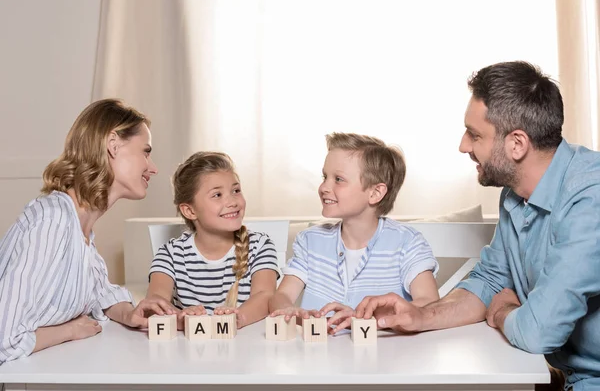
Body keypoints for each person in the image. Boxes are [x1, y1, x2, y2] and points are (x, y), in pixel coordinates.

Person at [343, 61, 600, 390]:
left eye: (475, 135)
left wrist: (505, 310)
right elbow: (490, 281)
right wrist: (420, 316)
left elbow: (538, 332)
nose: (463, 146)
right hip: (567, 376)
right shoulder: (515, 194)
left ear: (517, 144)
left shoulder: (590, 198)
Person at [0, 99, 169, 365]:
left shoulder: (81, 229)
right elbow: (3, 340)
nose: (153, 167)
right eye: (145, 152)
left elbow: (100, 292)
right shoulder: (52, 220)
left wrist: (131, 314)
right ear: (113, 145)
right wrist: (68, 331)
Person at [269, 132, 439, 330]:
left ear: (375, 193)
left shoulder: (407, 243)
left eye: (338, 179)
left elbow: (429, 303)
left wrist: (366, 317)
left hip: (385, 357)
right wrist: (289, 311)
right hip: (317, 356)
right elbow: (281, 297)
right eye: (325, 177)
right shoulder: (310, 241)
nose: (324, 186)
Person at [146, 152, 280, 329]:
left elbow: (265, 296)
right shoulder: (170, 254)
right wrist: (180, 318)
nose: (232, 201)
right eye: (217, 195)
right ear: (190, 211)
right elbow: (156, 301)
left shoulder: (260, 246)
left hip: (246, 347)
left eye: (236, 191)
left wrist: (238, 318)